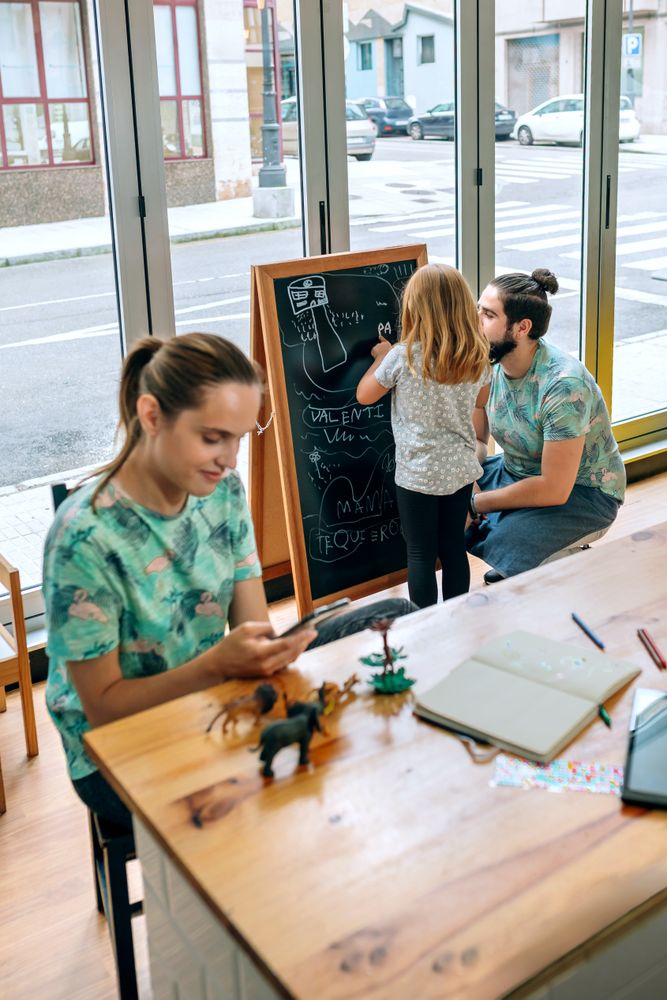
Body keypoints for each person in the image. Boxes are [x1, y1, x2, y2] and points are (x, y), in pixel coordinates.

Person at [43, 333, 413, 831]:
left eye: (240, 437)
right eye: (213, 438)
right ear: (151, 416)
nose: (231, 460)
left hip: (211, 692)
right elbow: (105, 709)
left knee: (397, 620)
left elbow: (254, 625)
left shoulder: (223, 491)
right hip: (113, 748)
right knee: (261, 806)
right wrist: (216, 667)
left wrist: (273, 649)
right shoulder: (82, 538)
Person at [467, 268, 625, 581]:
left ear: (521, 328)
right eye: (478, 309)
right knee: (440, 498)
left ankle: (552, 558)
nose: (475, 321)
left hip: (583, 493)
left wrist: (475, 502)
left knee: (504, 539)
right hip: (517, 471)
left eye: (487, 315)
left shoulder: (563, 385)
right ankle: (530, 555)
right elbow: (478, 440)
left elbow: (554, 488)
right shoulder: (489, 361)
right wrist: (466, 479)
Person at [356, 264, 490, 608]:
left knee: (419, 553)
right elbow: (481, 400)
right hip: (459, 470)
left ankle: (423, 620)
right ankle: (457, 613)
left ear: (414, 307)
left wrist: (381, 357)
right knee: (453, 549)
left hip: (417, 474)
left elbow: (364, 395)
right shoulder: (476, 355)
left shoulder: (403, 356)